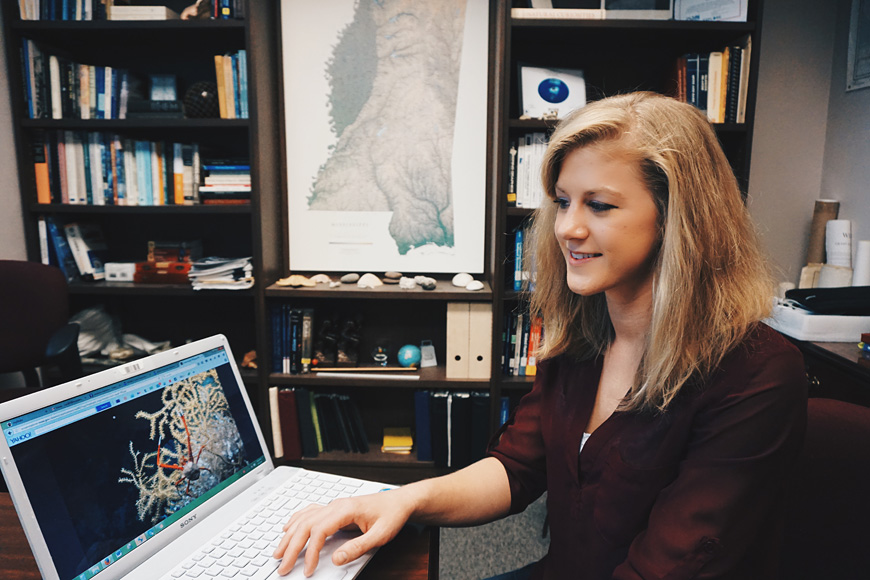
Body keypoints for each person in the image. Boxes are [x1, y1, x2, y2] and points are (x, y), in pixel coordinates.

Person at [271, 92, 807, 579]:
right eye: (563, 200)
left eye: (599, 205)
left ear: (676, 217)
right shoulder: (583, 338)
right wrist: (403, 500)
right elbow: (515, 468)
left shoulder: (755, 373)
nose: (568, 227)